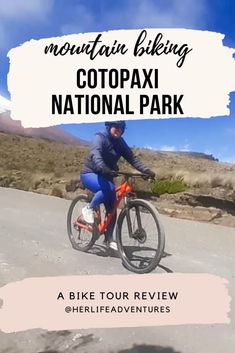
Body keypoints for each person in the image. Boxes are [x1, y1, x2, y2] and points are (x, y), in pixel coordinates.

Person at [80, 121, 155, 251]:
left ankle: (108, 239)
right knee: (109, 189)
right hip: (90, 173)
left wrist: (146, 170)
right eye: (116, 127)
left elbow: (132, 159)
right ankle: (88, 208)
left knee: (113, 206)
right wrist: (102, 167)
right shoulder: (99, 137)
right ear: (109, 127)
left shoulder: (120, 143)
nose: (118, 130)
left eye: (121, 128)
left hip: (107, 175)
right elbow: (95, 154)